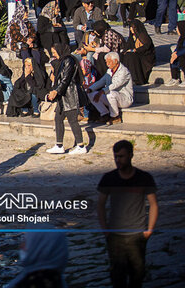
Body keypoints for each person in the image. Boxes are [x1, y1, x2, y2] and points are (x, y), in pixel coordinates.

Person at [97, 140, 158, 288]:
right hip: (115, 235)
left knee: (137, 274)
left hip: (136, 234)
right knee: (117, 276)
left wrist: (149, 230)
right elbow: (100, 204)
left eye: (121, 156)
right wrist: (106, 230)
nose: (118, 160)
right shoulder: (109, 178)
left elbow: (154, 204)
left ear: (131, 155)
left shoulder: (144, 178)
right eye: (116, 157)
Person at [0, 228, 69, 288]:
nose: (21, 246)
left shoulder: (40, 280)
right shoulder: (53, 278)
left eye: (26, 242)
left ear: (41, 247)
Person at [45, 44, 87, 155]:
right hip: (62, 96)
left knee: (73, 120)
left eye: (54, 52)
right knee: (58, 119)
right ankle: (59, 145)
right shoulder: (63, 61)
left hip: (70, 95)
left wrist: (56, 91)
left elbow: (66, 79)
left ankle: (81, 145)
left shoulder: (69, 60)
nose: (53, 55)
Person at [88, 52, 134, 125]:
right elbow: (102, 81)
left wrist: (102, 91)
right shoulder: (109, 70)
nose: (107, 64)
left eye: (109, 62)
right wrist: (90, 89)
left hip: (124, 99)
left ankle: (115, 116)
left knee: (110, 94)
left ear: (115, 61)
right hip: (112, 96)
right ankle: (105, 114)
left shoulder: (124, 71)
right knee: (91, 94)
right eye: (106, 62)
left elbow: (116, 84)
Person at [120, 19, 155, 86]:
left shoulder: (143, 36)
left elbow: (146, 47)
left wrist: (135, 50)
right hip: (135, 54)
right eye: (130, 27)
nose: (131, 29)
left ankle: (136, 79)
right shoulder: (131, 37)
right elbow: (128, 46)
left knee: (131, 56)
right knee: (124, 56)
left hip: (145, 56)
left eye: (133, 27)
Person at [80, 58, 109, 122]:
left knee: (88, 94)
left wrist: (87, 88)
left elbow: (94, 85)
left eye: (82, 68)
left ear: (86, 67)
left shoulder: (93, 74)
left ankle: (91, 115)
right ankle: (87, 114)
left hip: (98, 93)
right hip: (91, 92)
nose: (81, 70)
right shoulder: (84, 75)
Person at [166, 20, 185, 86]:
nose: (177, 30)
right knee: (173, 59)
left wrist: (177, 54)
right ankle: (175, 78)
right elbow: (178, 47)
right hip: (181, 54)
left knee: (182, 59)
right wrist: (174, 53)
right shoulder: (181, 38)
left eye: (178, 28)